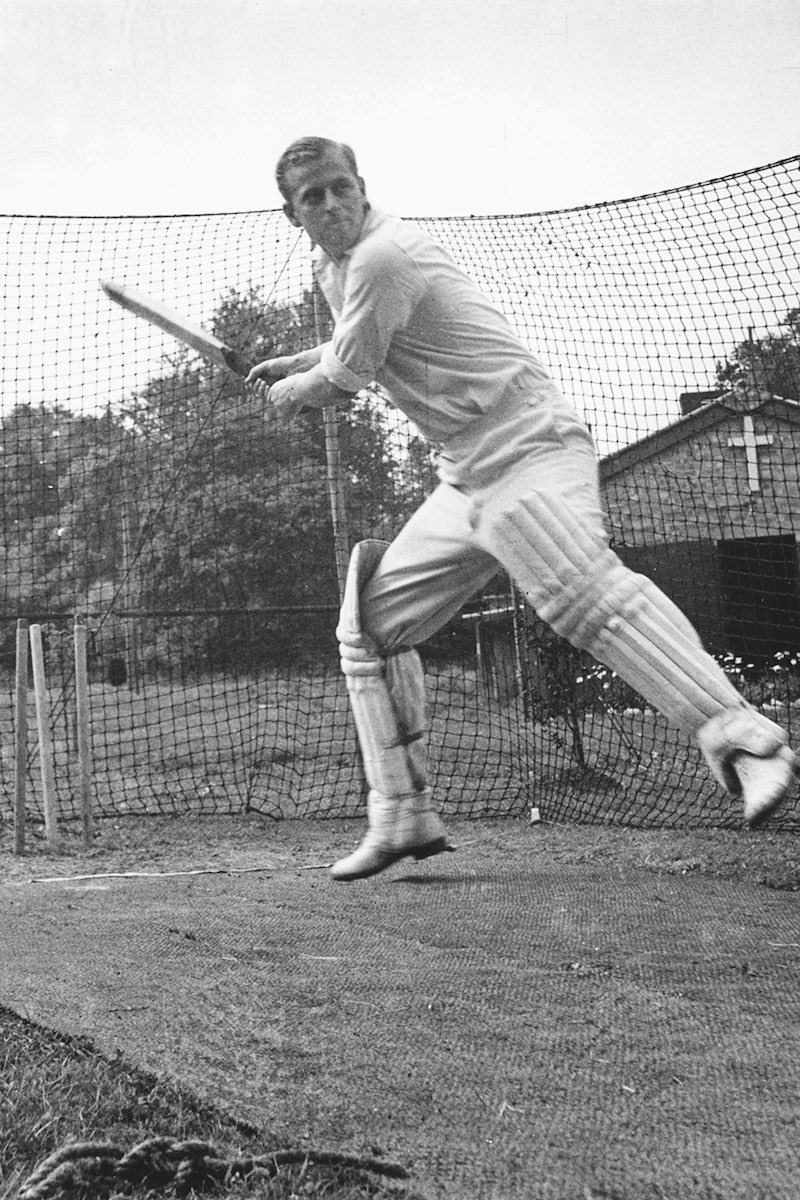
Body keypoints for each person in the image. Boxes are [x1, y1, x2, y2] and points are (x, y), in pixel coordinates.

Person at [247, 136, 798, 882]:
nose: (333, 204)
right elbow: (357, 340)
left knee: (576, 590)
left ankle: (747, 742)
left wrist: (295, 388)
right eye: (314, 197)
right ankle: (401, 814)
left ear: (361, 186)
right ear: (293, 214)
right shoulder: (331, 267)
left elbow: (348, 374)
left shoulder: (385, 252)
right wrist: (298, 360)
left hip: (532, 444)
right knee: (371, 627)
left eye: (341, 187)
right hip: (466, 473)